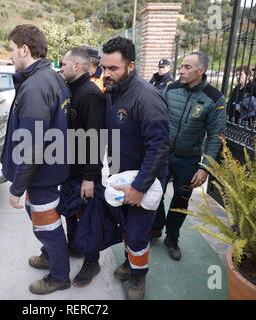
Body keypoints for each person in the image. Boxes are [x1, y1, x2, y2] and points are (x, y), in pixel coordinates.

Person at [0, 24, 72, 295]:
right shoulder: (51, 77)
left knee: (48, 225)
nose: (10, 56)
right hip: (47, 170)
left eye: (11, 50)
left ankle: (59, 275)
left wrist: (17, 188)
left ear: (24, 49)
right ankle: (49, 255)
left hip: (41, 174)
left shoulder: (35, 86)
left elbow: (31, 145)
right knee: (41, 218)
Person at [101, 36, 170, 300]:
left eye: (113, 68)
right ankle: (131, 262)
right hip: (120, 176)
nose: (106, 73)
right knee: (126, 228)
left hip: (145, 181)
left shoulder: (146, 97)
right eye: (104, 67)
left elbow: (159, 147)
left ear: (131, 66)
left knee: (138, 235)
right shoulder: (113, 92)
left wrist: (140, 188)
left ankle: (139, 278)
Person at [151, 51, 227, 261]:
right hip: (163, 155)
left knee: (181, 199)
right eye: (181, 66)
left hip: (188, 160)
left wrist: (204, 168)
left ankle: (172, 237)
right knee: (154, 192)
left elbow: (215, 136)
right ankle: (155, 227)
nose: (181, 71)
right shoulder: (172, 88)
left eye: (186, 67)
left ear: (200, 71)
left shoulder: (214, 98)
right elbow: (157, 118)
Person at [60, 46, 106, 287]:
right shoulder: (71, 90)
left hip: (85, 173)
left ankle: (92, 261)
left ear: (76, 66)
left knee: (89, 218)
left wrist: (89, 177)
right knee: (71, 214)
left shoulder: (90, 94)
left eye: (64, 64)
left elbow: (95, 138)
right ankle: (75, 247)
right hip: (70, 169)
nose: (61, 67)